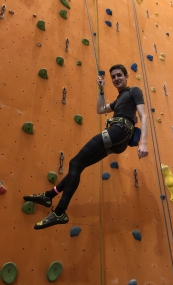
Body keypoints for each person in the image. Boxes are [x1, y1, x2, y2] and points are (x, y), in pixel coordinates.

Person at [23, 64, 149, 230]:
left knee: (75, 163)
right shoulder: (119, 99)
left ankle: (60, 212)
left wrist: (144, 143)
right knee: (79, 166)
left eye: (119, 75)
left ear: (126, 76)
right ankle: (49, 195)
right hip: (119, 139)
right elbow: (99, 110)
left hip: (119, 131)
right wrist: (101, 90)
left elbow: (143, 115)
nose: (116, 79)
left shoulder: (134, 91)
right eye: (113, 77)